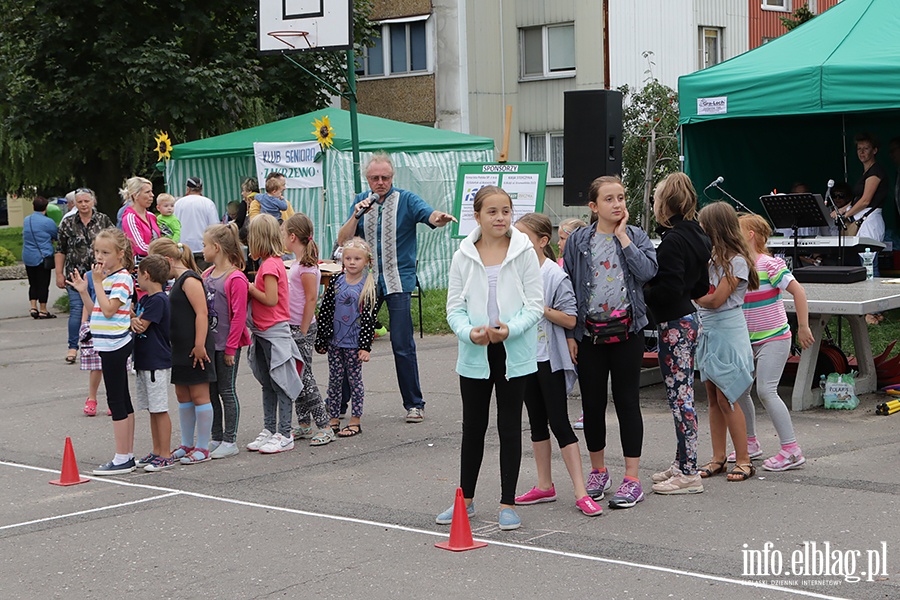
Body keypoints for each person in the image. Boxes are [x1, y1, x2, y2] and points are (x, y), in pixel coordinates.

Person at [438, 185, 543, 532]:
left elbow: (535, 306)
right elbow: (454, 308)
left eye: (506, 211)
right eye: (492, 212)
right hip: (475, 351)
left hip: (514, 352)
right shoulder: (462, 255)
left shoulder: (524, 251)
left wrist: (508, 330)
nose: (500, 218)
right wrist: (470, 333)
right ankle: (464, 501)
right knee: (474, 427)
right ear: (477, 216)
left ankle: (507, 503)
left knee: (509, 426)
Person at [337, 152, 457, 423]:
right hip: (366, 282)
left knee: (402, 343)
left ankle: (414, 404)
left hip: (398, 279)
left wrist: (440, 217)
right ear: (367, 178)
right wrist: (356, 216)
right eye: (375, 178)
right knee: (349, 338)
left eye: (385, 177)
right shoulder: (360, 201)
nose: (380, 182)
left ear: (393, 177)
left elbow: (430, 215)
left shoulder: (407, 199)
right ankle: (339, 401)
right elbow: (343, 240)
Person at [563, 176, 658, 509]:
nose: (618, 204)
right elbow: (571, 288)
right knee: (591, 405)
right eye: (609, 199)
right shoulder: (577, 241)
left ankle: (632, 478)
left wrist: (623, 238)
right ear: (593, 206)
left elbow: (647, 273)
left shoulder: (636, 236)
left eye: (621, 197)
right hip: (589, 335)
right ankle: (598, 471)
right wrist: (572, 335)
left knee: (627, 401)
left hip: (627, 333)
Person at [513, 213, 602, 517]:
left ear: (542, 241)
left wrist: (541, 308)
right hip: (524, 358)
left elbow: (571, 318)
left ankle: (580, 492)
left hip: (548, 359)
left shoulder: (553, 275)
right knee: (536, 423)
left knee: (559, 423)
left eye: (523, 237)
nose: (517, 242)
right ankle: (544, 485)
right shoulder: (513, 271)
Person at [644, 173, 711, 495]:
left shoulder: (672, 241)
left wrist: (644, 291)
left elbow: (668, 288)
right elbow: (700, 286)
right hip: (688, 317)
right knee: (680, 395)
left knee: (681, 397)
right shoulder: (698, 233)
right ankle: (683, 461)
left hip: (673, 324)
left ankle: (688, 473)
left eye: (656, 198)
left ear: (666, 204)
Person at [734, 214, 812, 472]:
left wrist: (802, 326)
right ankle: (751, 443)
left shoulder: (770, 264)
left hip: (774, 338)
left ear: (751, 234)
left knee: (766, 390)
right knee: (741, 391)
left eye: (738, 229)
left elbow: (798, 291)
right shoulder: (737, 265)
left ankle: (791, 450)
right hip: (747, 340)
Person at [694, 202, 759, 483]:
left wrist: (691, 295)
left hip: (728, 331)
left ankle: (743, 459)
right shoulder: (711, 259)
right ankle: (718, 457)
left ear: (714, 228)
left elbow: (716, 299)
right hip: (708, 331)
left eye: (703, 225)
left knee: (728, 396)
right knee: (711, 395)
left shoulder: (737, 261)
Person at [68, 228, 136, 475]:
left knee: (117, 400)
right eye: (97, 251)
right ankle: (127, 454)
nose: (99, 257)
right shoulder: (106, 278)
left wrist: (96, 283)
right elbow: (96, 308)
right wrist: (85, 290)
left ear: (120, 254)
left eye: (106, 252)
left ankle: (121, 457)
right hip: (105, 344)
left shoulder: (122, 279)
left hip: (115, 345)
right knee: (123, 399)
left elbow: (109, 311)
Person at [148, 237, 216, 465]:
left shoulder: (189, 280)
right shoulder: (176, 282)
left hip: (195, 347)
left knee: (199, 395)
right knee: (183, 395)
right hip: (178, 348)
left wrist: (199, 344)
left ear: (168, 260)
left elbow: (201, 313)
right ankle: (187, 443)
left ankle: (203, 447)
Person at [245, 214, 304, 454]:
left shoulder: (270, 265)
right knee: (267, 383)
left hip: (273, 333)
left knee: (279, 383)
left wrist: (249, 287)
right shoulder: (269, 263)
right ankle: (270, 429)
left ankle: (283, 432)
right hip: (262, 332)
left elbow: (270, 299)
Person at [315, 237, 378, 438]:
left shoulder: (368, 286)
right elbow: (325, 311)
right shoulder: (335, 281)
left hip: (354, 344)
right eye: (348, 258)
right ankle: (333, 418)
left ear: (367, 261)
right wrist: (322, 339)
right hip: (335, 342)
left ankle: (355, 420)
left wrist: (365, 347)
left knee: (354, 381)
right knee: (334, 380)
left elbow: (369, 319)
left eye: (357, 259)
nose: (351, 262)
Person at [201, 224, 252, 459]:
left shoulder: (236, 278)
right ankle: (216, 436)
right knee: (210, 391)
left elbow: (239, 317)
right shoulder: (205, 275)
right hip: (209, 346)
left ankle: (230, 440)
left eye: (204, 245)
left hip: (226, 347)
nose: (201, 250)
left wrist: (231, 348)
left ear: (216, 247)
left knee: (226, 391)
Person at [284, 213, 334, 446]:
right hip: (293, 325)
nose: (283, 238)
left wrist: (303, 331)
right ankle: (304, 423)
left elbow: (311, 299)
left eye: (284, 234)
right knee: (298, 375)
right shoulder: (297, 263)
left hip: (301, 327)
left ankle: (324, 425)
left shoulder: (305, 267)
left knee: (306, 376)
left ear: (293, 237)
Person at [56, 188, 114, 364]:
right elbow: (60, 249)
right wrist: (59, 273)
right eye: (80, 201)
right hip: (75, 274)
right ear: (75, 203)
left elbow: (115, 242)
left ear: (93, 202)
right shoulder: (68, 223)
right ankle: (73, 347)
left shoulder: (103, 220)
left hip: (100, 274)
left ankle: (98, 344)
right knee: (76, 309)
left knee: (97, 308)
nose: (83, 205)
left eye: (86, 201)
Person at [130, 255, 176, 472]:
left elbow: (141, 326)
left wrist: (131, 320)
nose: (137, 278)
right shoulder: (146, 299)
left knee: (160, 409)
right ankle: (157, 450)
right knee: (151, 409)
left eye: (138, 274)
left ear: (146, 274)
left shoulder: (158, 299)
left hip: (157, 361)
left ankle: (165, 453)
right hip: (145, 361)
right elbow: (137, 320)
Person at [834, 133, 887, 277]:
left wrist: (844, 214)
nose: (862, 152)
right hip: (863, 221)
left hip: (870, 222)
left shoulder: (875, 172)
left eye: (866, 148)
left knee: (869, 265)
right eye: (859, 149)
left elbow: (865, 201)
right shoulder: (866, 172)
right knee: (864, 264)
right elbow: (857, 200)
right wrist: (841, 209)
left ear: (874, 150)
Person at [556, 217, 587, 429]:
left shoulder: (579, 266)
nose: (558, 243)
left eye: (562, 238)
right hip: (561, 327)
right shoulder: (559, 263)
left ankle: (589, 411)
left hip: (576, 327)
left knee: (583, 372)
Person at [22, 196, 58, 319]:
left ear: (33, 207)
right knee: (43, 284)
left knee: (33, 283)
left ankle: (33, 307)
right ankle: (43, 310)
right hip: (43, 257)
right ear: (46, 207)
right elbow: (56, 235)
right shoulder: (48, 222)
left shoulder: (27, 220)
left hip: (28, 256)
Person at [175, 176, 220, 271]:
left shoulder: (178, 203)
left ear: (187, 189)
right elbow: (215, 227)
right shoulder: (208, 203)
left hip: (183, 247)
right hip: (203, 247)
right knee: (204, 277)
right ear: (201, 189)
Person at [120, 177, 161, 270]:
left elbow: (158, 239)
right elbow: (139, 247)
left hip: (157, 263)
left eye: (151, 191)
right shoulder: (130, 218)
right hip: (140, 266)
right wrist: (163, 251)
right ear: (135, 195)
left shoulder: (151, 216)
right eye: (147, 192)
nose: (152, 195)